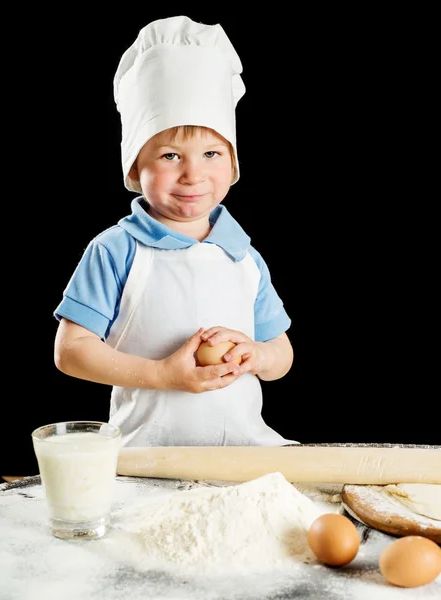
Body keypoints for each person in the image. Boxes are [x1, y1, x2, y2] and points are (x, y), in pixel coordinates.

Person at [53, 15, 297, 447]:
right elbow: (70, 352)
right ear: (135, 166)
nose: (193, 175)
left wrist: (255, 354)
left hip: (243, 452)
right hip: (144, 456)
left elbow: (282, 355)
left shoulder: (243, 257)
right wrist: (162, 375)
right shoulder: (116, 250)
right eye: (169, 156)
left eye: (210, 153)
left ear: (233, 162)